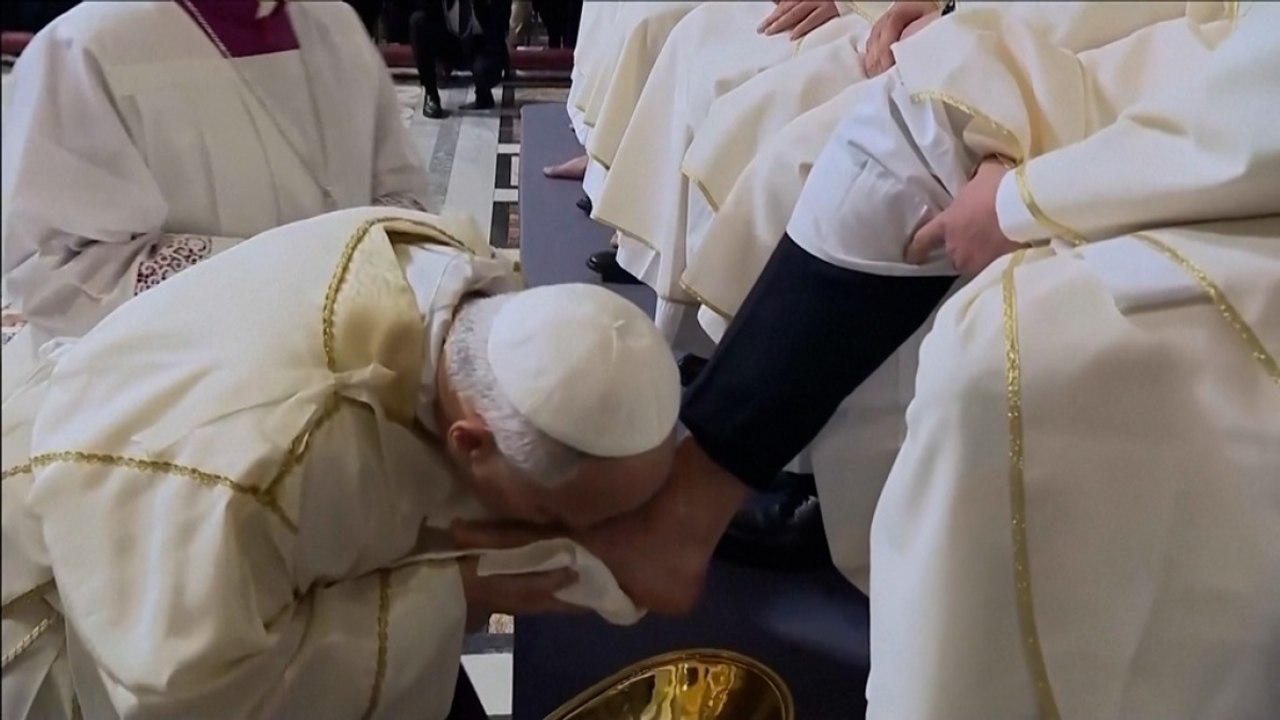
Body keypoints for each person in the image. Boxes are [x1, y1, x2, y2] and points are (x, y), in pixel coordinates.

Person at [458, 2, 1280, 717]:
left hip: (1238, 133)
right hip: (1222, 77)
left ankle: (712, 489)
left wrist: (1030, 196)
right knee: (925, 103)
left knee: (994, 359)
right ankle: (699, 488)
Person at [0, 207, 681, 720]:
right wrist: (464, 593)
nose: (568, 532)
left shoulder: (459, 289)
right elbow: (197, 692)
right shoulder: (264, 458)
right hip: (74, 594)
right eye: (549, 514)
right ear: (470, 443)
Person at [1, 0, 430, 354]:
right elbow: (62, 271)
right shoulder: (84, 47)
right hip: (172, 404)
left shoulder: (335, 24)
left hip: (352, 369)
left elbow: (400, 194)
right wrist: (300, 279)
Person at [593, 0, 886, 345]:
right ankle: (677, 287)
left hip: (886, 22)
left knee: (746, 102)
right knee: (694, 36)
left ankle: (721, 322)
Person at [411, 0, 513, 118]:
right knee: (418, 21)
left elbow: (502, 20)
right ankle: (431, 94)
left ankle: (483, 93)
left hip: (481, 44)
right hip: (449, 41)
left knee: (485, 71)